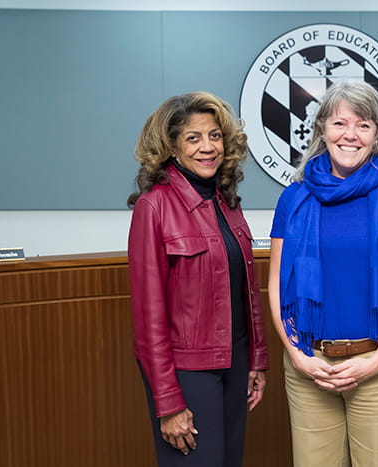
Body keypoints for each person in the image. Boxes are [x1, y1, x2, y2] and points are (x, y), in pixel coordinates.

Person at [268, 80, 378, 467]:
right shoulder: (293, 197)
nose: (350, 135)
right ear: (322, 127)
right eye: (340, 123)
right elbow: (276, 285)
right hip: (310, 366)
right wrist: (297, 355)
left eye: (363, 125)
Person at [127, 91, 269, 466]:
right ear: (171, 146)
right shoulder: (153, 206)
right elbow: (149, 320)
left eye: (215, 136)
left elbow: (245, 292)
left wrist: (256, 360)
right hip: (188, 374)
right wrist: (168, 401)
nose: (208, 147)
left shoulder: (227, 201)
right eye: (193, 138)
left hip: (235, 365)